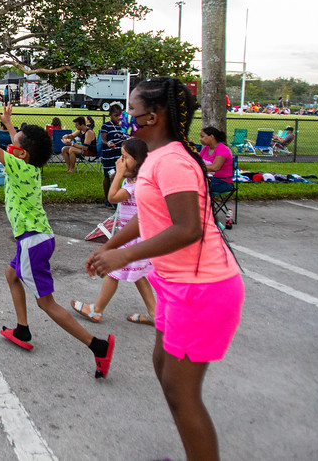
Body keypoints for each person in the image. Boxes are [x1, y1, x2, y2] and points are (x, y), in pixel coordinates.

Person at [86, 77, 244, 460]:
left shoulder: (172, 161)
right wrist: (112, 243)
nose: (127, 119)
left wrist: (122, 258)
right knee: (162, 366)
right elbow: (151, 215)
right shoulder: (157, 158)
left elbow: (187, 228)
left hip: (202, 288)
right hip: (174, 283)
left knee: (180, 391)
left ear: (153, 117)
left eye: (133, 113)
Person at [0, 94, 115, 378]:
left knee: (46, 302)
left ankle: (97, 346)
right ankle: (22, 329)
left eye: (14, 142)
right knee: (12, 275)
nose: (10, 144)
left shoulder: (18, 164)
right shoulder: (30, 166)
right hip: (39, 238)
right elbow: (20, 147)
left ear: (20, 154)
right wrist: (10, 125)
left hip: (32, 241)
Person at [71, 138, 156, 325]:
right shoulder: (133, 179)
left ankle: (96, 310)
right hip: (134, 237)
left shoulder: (136, 185)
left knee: (113, 271)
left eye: (125, 157)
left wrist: (118, 175)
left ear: (138, 160)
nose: (121, 161)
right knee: (139, 275)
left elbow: (112, 197)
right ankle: (155, 313)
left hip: (134, 239)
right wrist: (120, 174)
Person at [99, 105, 126, 207]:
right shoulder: (106, 126)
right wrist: (108, 143)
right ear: (110, 115)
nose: (118, 118)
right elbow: (103, 139)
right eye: (115, 115)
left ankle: (115, 198)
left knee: (116, 176)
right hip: (109, 156)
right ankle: (108, 199)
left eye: (120, 115)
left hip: (119, 156)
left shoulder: (122, 126)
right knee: (108, 176)